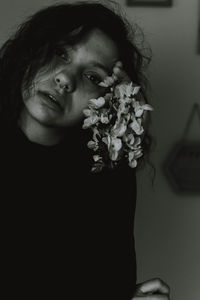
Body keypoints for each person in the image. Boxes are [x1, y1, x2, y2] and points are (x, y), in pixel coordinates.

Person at [0, 1, 170, 299]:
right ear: (31, 51)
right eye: (60, 52)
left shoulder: (103, 175)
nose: (65, 79)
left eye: (92, 77)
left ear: (107, 102)